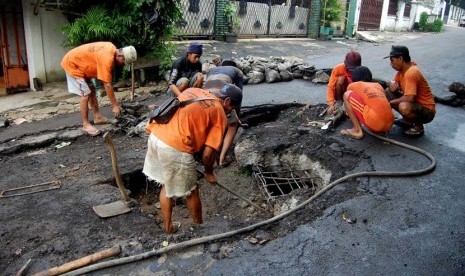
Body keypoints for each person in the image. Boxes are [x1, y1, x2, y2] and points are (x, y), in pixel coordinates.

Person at [143, 82, 243, 234]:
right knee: (191, 190)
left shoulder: (194, 90)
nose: (230, 112)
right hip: (175, 146)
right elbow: (208, 154)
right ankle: (199, 228)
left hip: (155, 135)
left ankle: (169, 228)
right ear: (227, 101)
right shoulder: (219, 112)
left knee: (166, 184)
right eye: (232, 108)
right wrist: (209, 173)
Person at [61, 42, 137, 136]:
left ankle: (97, 117)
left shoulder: (111, 48)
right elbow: (107, 84)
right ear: (120, 55)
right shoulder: (107, 58)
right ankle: (85, 125)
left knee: (91, 90)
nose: (122, 64)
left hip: (82, 65)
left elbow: (103, 78)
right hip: (72, 64)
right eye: (123, 61)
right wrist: (115, 106)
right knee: (85, 94)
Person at [384, 45, 435, 136]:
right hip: (416, 104)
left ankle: (419, 126)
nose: (391, 64)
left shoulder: (411, 73)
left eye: (392, 61)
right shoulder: (403, 70)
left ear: (400, 58)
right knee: (388, 92)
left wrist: (390, 103)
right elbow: (392, 83)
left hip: (427, 110)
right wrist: (391, 83)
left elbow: (409, 98)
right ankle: (407, 120)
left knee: (404, 106)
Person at [204, 60, 244, 166]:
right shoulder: (238, 71)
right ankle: (222, 157)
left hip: (204, 95)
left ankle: (205, 151)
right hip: (221, 95)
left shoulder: (212, 70)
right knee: (232, 125)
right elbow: (237, 95)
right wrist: (236, 118)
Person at [340, 66, 394, 140]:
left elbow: (351, 103)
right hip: (389, 124)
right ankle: (380, 130)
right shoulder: (378, 85)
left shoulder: (352, 85)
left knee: (347, 95)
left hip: (376, 123)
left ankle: (357, 130)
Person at [326, 50, 362, 115]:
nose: (351, 71)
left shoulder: (361, 70)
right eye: (350, 69)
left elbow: (363, 88)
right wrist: (331, 104)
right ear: (345, 63)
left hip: (354, 91)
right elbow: (331, 86)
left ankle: (350, 102)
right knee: (340, 79)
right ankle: (340, 101)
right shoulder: (338, 69)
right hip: (343, 90)